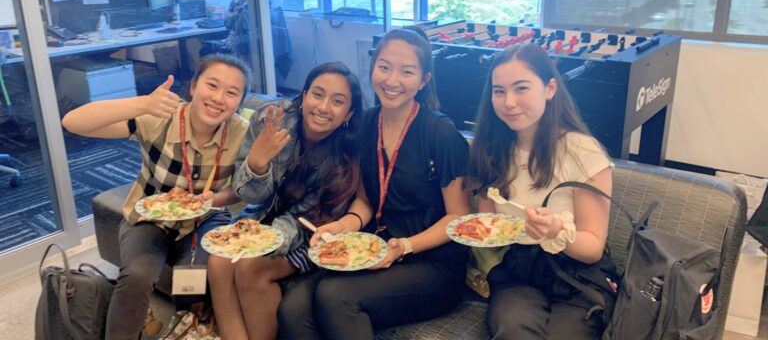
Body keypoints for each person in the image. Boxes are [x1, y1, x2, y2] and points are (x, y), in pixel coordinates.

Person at [278, 27, 471, 339]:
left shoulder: (440, 133)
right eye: (384, 67)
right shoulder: (366, 123)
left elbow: (458, 217)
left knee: (335, 296)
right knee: (293, 306)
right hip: (374, 249)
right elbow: (366, 201)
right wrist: (341, 227)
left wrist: (403, 246)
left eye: (406, 72)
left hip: (431, 263)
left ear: (423, 80)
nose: (392, 81)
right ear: (372, 69)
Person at [61, 54, 251, 340]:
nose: (218, 98)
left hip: (206, 218)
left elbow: (246, 187)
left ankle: (188, 329)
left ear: (239, 102)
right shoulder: (160, 119)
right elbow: (73, 122)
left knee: (202, 271)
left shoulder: (240, 132)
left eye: (231, 92)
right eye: (211, 85)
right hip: (151, 216)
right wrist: (142, 104)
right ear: (193, 87)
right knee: (138, 273)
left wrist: (215, 199)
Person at [464, 42, 617, 339]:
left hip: (576, 275)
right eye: (499, 91)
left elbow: (593, 247)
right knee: (514, 330)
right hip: (518, 273)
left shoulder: (583, 153)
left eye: (521, 88)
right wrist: (479, 230)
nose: (509, 102)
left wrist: (554, 229)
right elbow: (490, 230)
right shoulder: (490, 149)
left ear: (549, 89)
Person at [208, 61, 367, 340]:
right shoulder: (272, 119)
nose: (323, 106)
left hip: (313, 232)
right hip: (261, 214)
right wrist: (257, 163)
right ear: (304, 95)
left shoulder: (347, 152)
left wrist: (264, 242)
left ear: (349, 114)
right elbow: (248, 194)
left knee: (250, 265)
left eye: (337, 101)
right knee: (219, 259)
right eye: (317, 94)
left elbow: (312, 217)